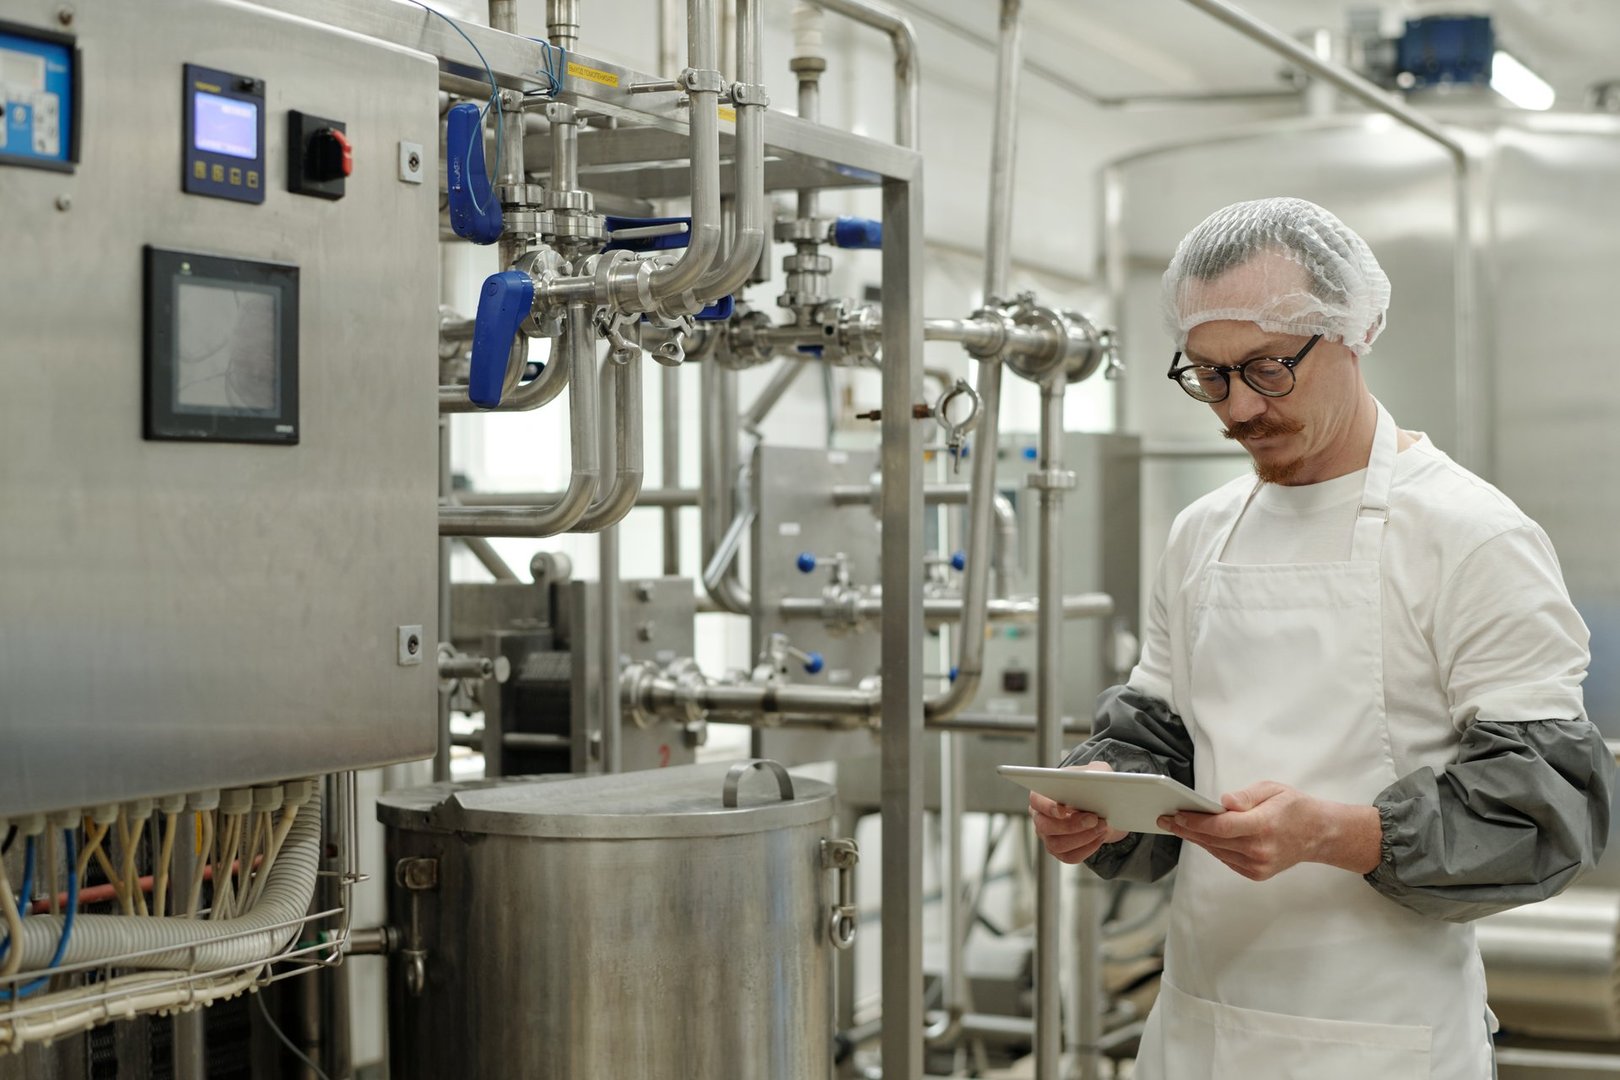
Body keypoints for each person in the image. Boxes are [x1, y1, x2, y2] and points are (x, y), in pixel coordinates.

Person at [1030, 196, 1613, 1079]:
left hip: (1384, 1038)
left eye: (1266, 368)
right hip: (1197, 1029)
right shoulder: (1203, 532)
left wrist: (1335, 835)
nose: (1237, 408)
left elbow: (1548, 811)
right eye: (1208, 375)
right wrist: (1103, 805)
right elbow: (1159, 738)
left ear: (1350, 331)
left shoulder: (1470, 536)